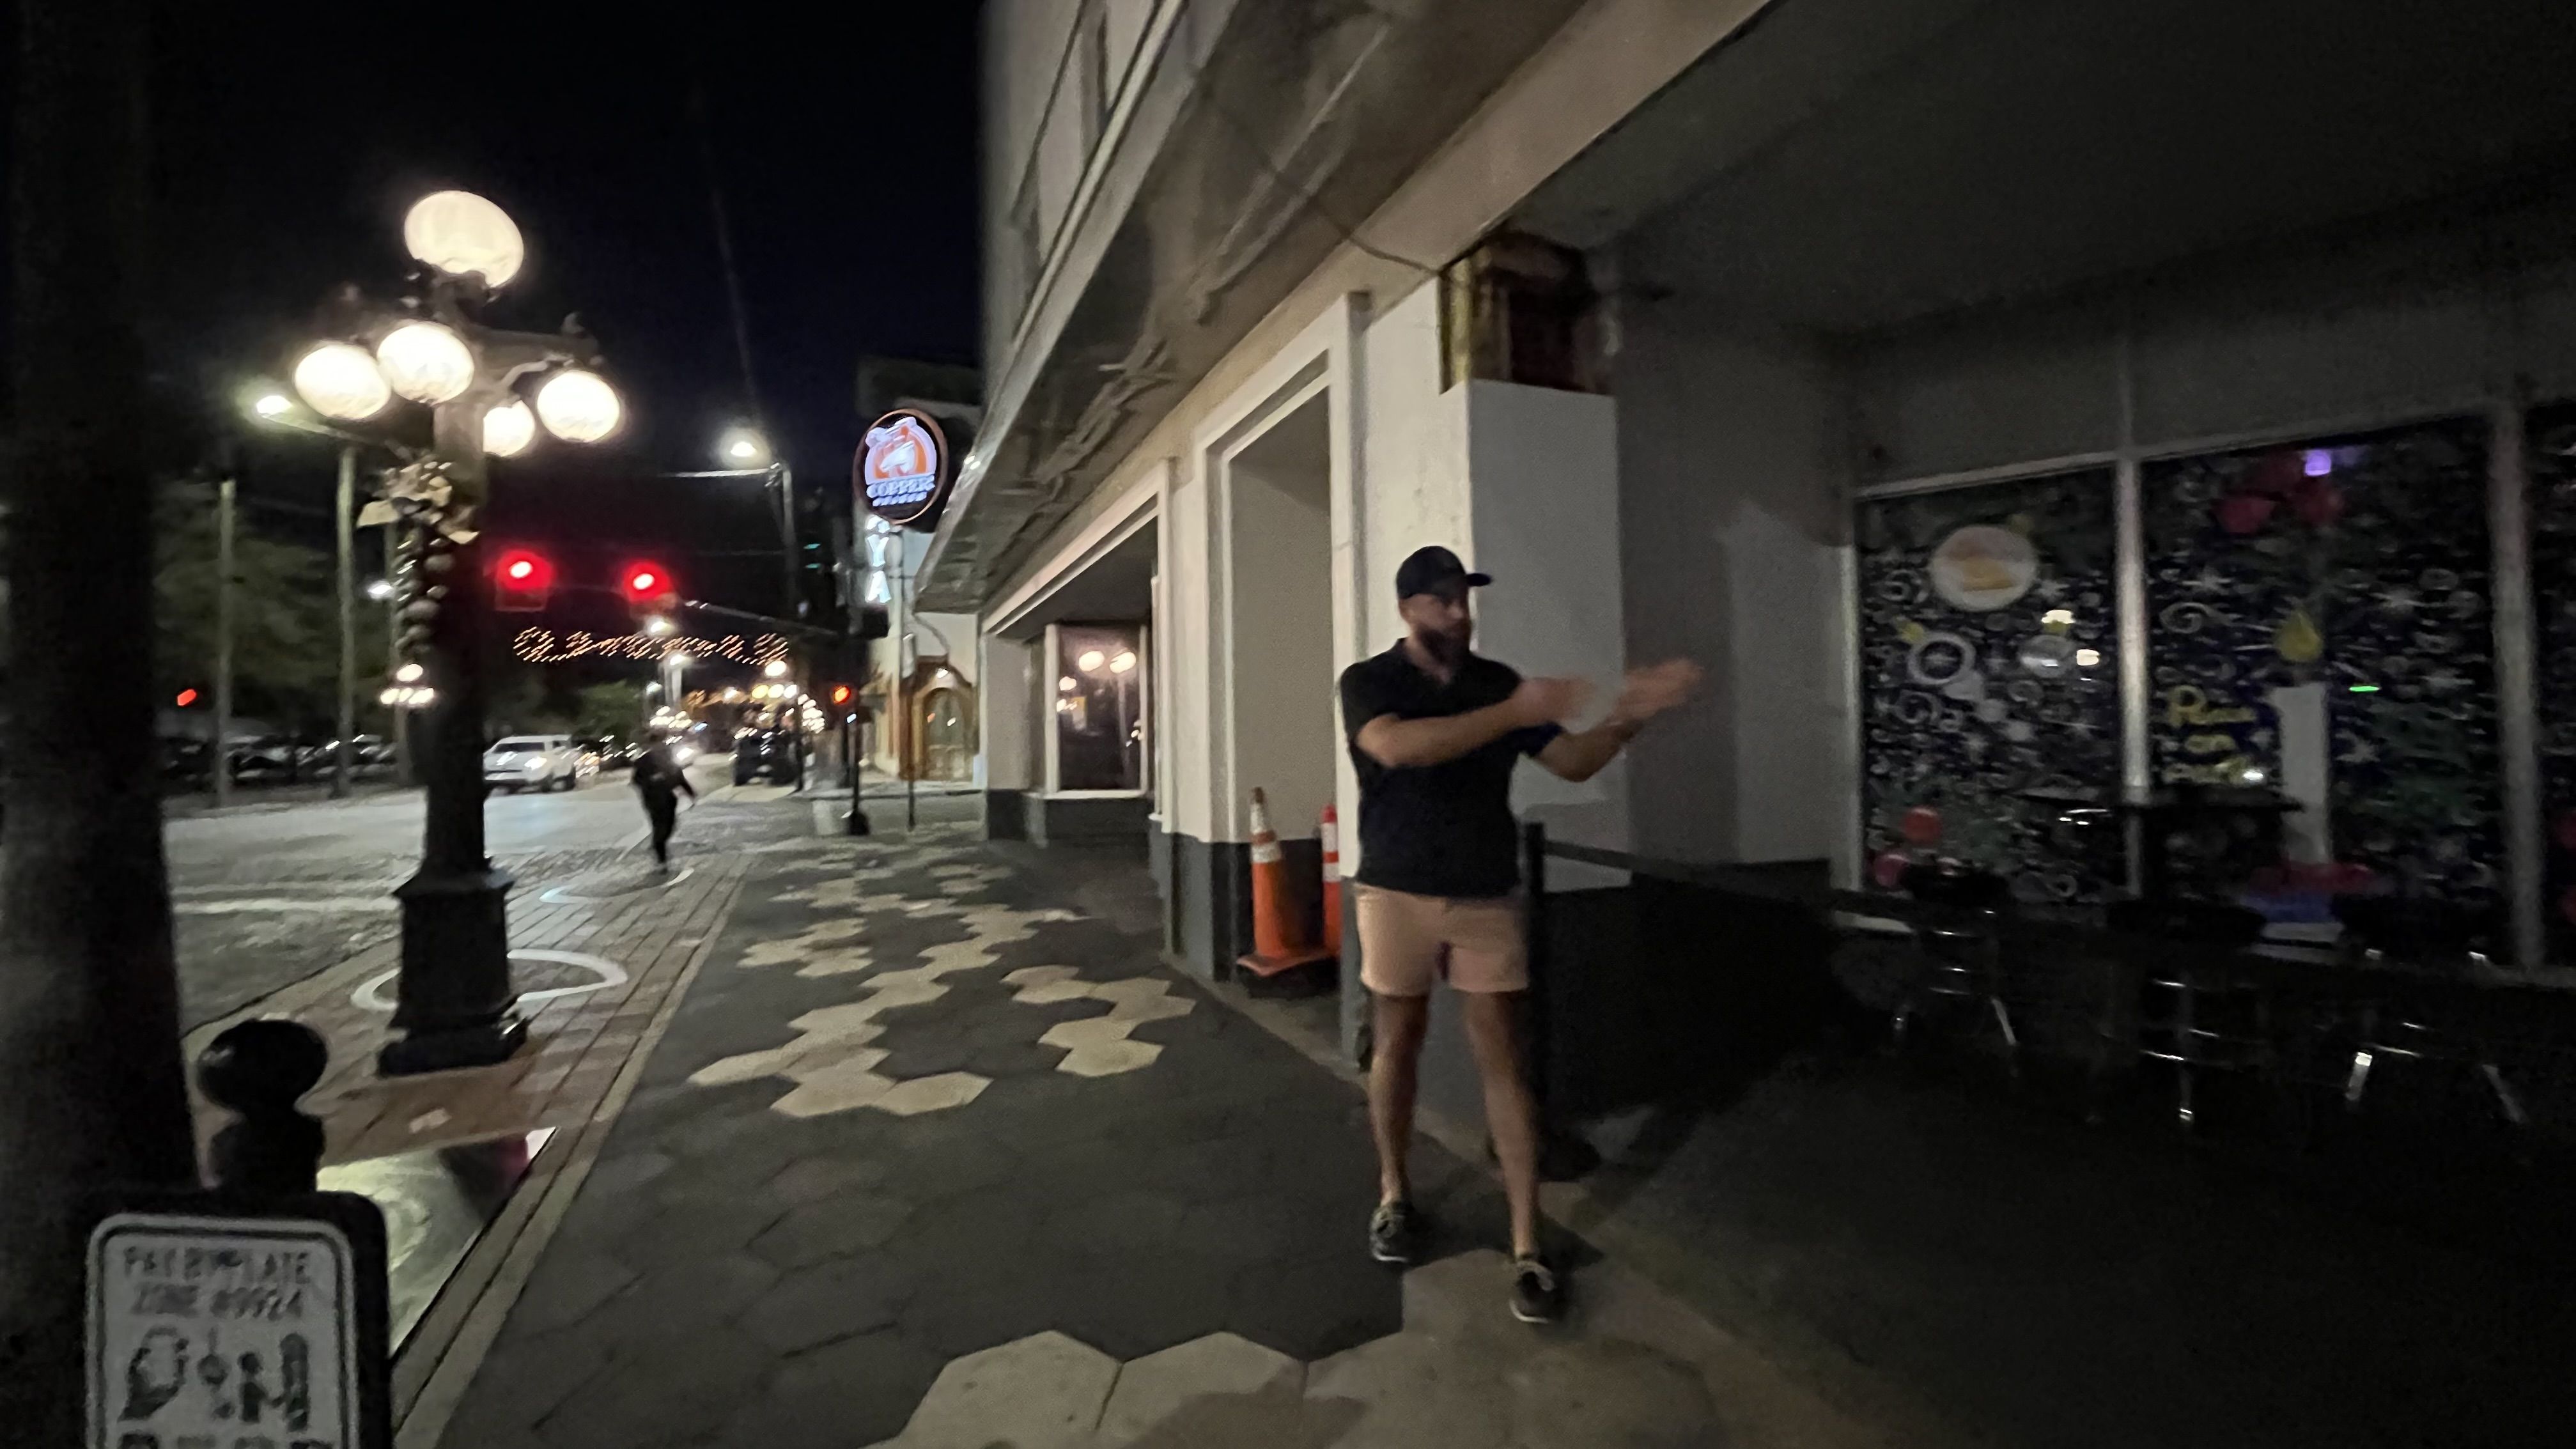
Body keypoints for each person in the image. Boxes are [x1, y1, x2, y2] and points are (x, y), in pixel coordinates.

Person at [1338, 545, 1699, 1323]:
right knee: (1395, 1041)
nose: (1458, 612)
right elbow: (1398, 747)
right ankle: (1395, 1193)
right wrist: (1515, 711)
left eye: (1463, 598)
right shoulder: (1370, 681)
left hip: (1484, 895)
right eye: (1439, 600)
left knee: (1503, 1061)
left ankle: (1529, 1242)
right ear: (1406, 609)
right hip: (1395, 890)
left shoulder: (1495, 681)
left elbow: (1570, 761)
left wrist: (1632, 710)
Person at [631, 740, 697, 867]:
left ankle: (659, 846)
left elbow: (679, 778)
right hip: (653, 800)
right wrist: (651, 782)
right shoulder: (643, 761)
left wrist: (691, 794)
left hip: (669, 799)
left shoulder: (668, 759)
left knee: (669, 826)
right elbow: (636, 780)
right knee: (659, 826)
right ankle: (660, 855)